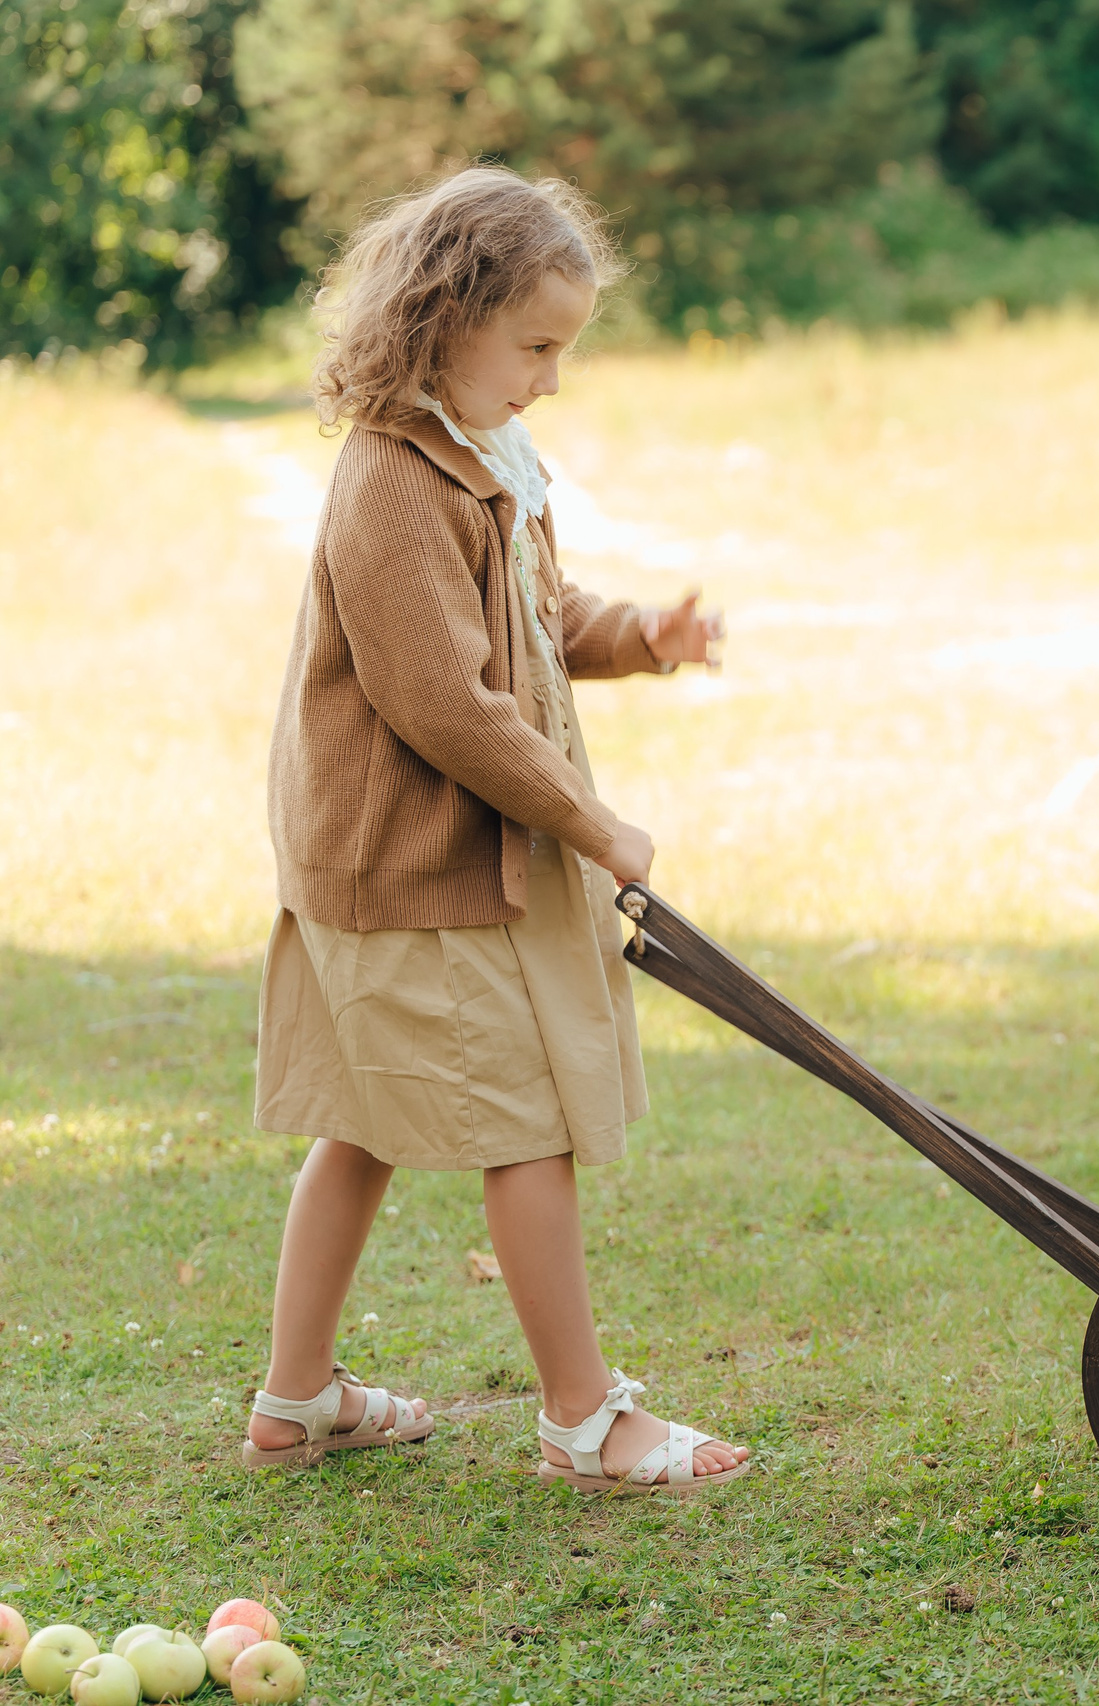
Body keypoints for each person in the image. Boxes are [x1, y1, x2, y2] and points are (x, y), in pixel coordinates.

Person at [246, 166, 747, 1495]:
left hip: (422, 864)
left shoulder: (484, 459)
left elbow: (530, 617)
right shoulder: (392, 482)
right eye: (535, 347)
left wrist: (644, 634)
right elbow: (445, 705)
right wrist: (596, 824)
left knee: (362, 1120)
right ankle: (585, 1418)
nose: (551, 380)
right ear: (444, 316)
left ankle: (296, 1399)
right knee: (526, 1119)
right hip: (411, 864)